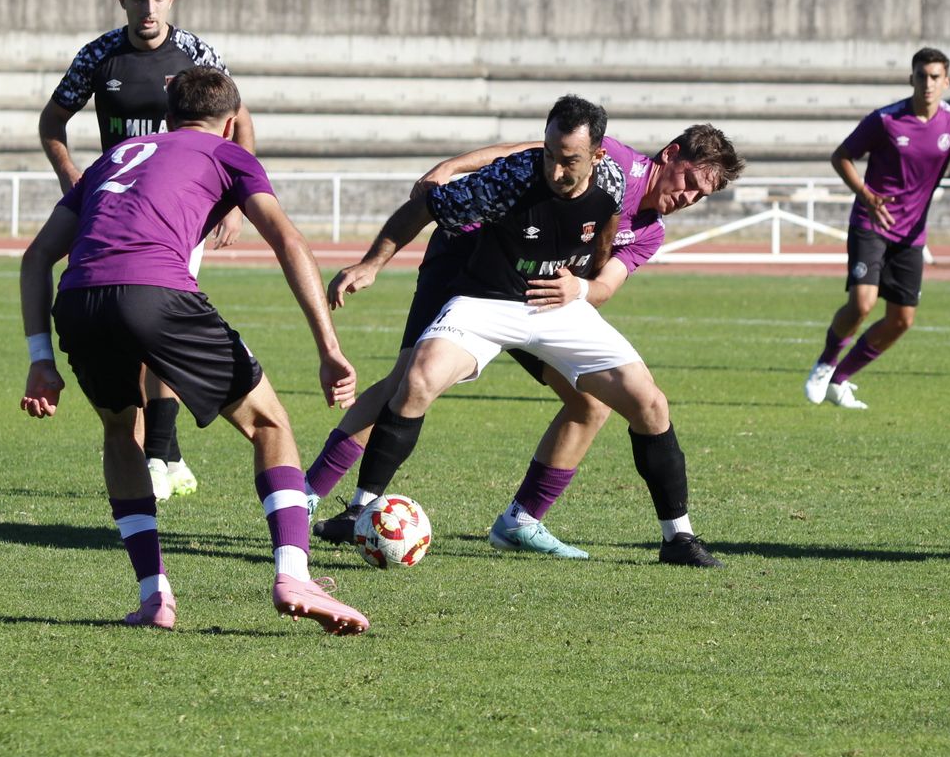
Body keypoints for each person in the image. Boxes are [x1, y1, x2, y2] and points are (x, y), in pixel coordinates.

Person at [19, 68, 368, 635]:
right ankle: (293, 574)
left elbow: (36, 257)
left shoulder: (117, 155)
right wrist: (330, 348)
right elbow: (288, 240)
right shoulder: (230, 154)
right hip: (156, 292)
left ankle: (154, 596)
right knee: (270, 424)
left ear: (167, 117)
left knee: (119, 431)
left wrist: (41, 359)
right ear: (231, 123)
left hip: (79, 301)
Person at [306, 122, 742, 559]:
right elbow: (525, 152)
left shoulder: (649, 230)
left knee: (590, 403)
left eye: (700, 196)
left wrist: (582, 290)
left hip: (540, 297)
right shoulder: (609, 159)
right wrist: (452, 167)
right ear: (670, 155)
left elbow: (604, 285)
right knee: (408, 379)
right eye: (689, 182)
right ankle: (319, 498)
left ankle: (522, 521)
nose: (688, 198)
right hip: (470, 260)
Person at [39, 0, 257, 501]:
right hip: (115, 210)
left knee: (157, 323)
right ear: (122, 0)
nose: (148, 8)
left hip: (177, 212)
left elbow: (241, 120)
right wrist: (73, 178)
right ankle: (163, 452)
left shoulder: (197, 54)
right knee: (130, 332)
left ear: (172, 0)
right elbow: (52, 122)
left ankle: (161, 450)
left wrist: (232, 202)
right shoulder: (98, 56)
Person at [803, 47, 950, 410]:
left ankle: (841, 379)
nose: (928, 83)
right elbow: (841, 155)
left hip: (911, 234)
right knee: (862, 302)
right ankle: (825, 364)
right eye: (922, 75)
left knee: (901, 320)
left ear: (946, 81)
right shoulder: (886, 119)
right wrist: (866, 195)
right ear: (911, 78)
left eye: (935, 77)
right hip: (871, 222)